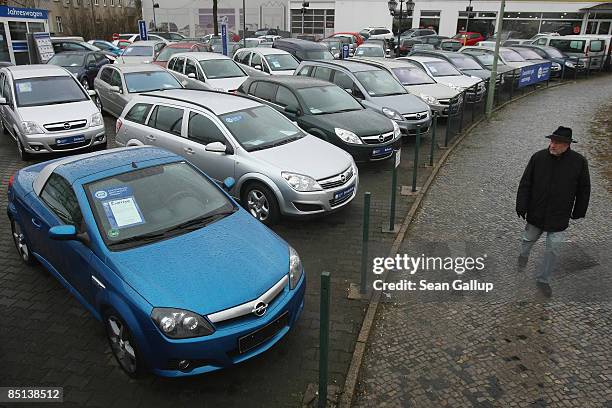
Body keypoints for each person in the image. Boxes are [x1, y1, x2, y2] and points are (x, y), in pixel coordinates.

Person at [515, 126, 590, 297]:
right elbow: (525, 182)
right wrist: (521, 205)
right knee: (528, 239)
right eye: (551, 141)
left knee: (553, 249)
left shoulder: (579, 162)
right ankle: (523, 256)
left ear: (567, 145)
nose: (552, 145)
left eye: (557, 142)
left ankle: (543, 280)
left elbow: (584, 189)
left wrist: (579, 210)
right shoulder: (538, 157)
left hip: (559, 215)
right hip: (536, 212)